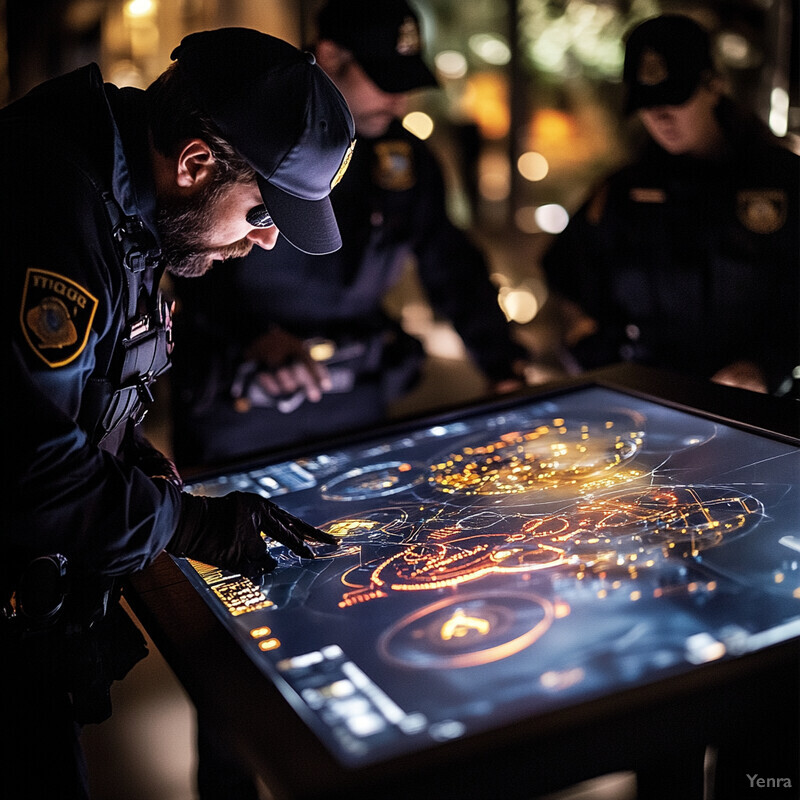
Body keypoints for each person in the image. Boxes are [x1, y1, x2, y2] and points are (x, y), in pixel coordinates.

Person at [3, 28, 356, 799]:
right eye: (262, 211)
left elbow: (85, 396)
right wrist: (185, 524)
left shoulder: (123, 199)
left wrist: (133, 459)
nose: (264, 242)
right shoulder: (54, 208)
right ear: (195, 163)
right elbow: (29, 474)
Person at [168, 0, 533, 469]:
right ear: (330, 55)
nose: (399, 101)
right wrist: (252, 334)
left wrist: (503, 363)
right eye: (384, 80)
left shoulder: (404, 162)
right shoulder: (252, 130)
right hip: (243, 399)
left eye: (405, 84)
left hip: (356, 394)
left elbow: (451, 265)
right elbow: (186, 243)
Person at [541, 14, 799, 397]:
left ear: (713, 85)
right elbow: (569, 275)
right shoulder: (622, 191)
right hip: (650, 403)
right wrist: (600, 363)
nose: (660, 116)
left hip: (756, 405)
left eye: (675, 98)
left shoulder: (781, 181)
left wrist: (766, 365)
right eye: (647, 103)